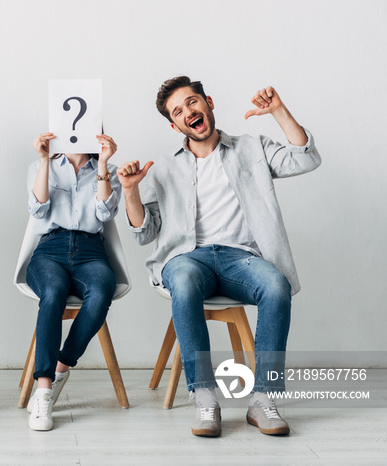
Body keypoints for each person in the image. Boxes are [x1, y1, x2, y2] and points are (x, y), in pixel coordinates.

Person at [117, 76, 320, 437]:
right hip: (188, 258)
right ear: (173, 124)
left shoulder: (252, 147)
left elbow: (307, 159)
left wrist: (279, 112)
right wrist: (131, 192)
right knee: (181, 279)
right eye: (178, 111)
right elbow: (144, 233)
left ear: (208, 102)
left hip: (242, 258)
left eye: (192, 102)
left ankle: (263, 399)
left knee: (276, 286)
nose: (188, 112)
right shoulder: (164, 168)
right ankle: (205, 397)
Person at [25, 132, 121, 431]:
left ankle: (61, 366)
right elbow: (38, 209)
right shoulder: (43, 165)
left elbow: (105, 213)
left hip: (91, 250)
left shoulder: (109, 170)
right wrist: (44, 161)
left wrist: (103, 163)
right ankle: (43, 390)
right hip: (50, 249)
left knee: (102, 290)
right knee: (52, 293)